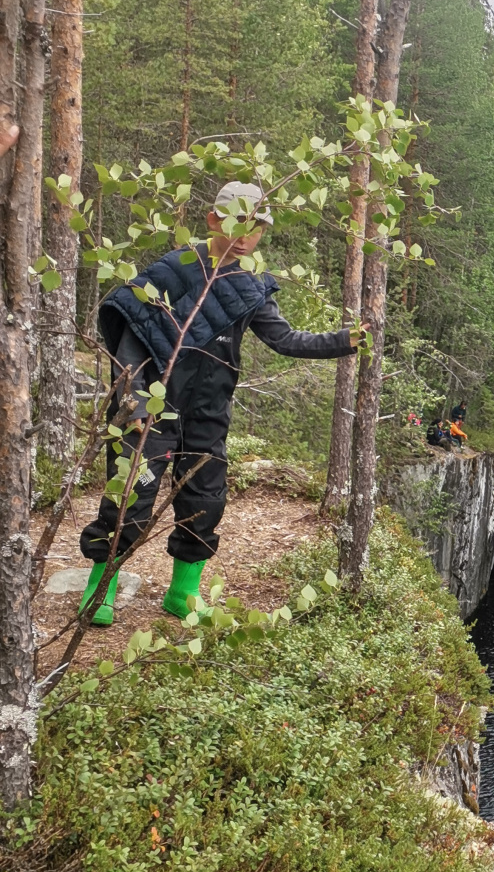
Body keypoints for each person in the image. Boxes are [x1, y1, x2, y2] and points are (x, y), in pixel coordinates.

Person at [78, 181, 362, 625]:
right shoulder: (171, 273)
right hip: (152, 409)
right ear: (213, 220)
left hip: (209, 411)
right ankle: (101, 588)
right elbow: (131, 343)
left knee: (204, 499)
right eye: (239, 220)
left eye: (258, 226)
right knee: (131, 496)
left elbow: (285, 339)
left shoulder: (248, 288)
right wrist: (132, 404)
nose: (248, 234)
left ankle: (183, 593)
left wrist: (343, 340)